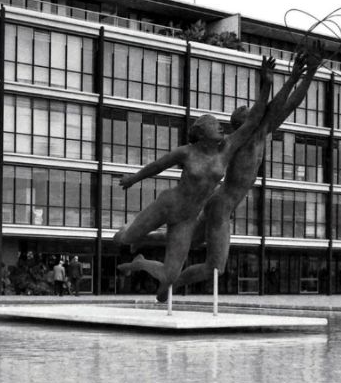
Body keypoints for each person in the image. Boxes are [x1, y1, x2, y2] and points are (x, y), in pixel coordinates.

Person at [169, 46, 322, 301]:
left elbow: (290, 103)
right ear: (242, 122)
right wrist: (295, 76)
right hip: (221, 206)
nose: (245, 106)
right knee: (214, 268)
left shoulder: (260, 134)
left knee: (190, 242)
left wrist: (306, 74)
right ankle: (171, 284)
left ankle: (145, 243)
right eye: (243, 110)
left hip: (219, 202)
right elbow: (272, 106)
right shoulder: (245, 138)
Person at [115, 57, 274, 300]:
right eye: (214, 125)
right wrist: (133, 179)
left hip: (187, 218)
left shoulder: (227, 149)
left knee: (169, 277)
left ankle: (141, 263)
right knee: (125, 238)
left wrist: (266, 84)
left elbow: (253, 120)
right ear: (200, 132)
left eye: (220, 125)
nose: (221, 127)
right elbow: (157, 166)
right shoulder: (186, 152)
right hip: (168, 205)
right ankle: (128, 230)